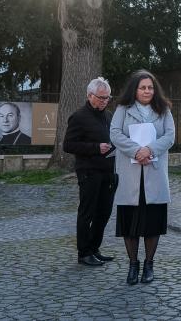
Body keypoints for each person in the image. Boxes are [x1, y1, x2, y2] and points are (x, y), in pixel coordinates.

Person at [110, 70, 175, 285]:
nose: (147, 91)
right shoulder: (123, 109)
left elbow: (170, 136)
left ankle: (149, 264)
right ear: (135, 90)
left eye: (150, 87)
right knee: (130, 224)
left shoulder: (163, 109)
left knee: (152, 223)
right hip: (130, 176)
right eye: (143, 87)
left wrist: (150, 150)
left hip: (154, 174)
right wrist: (136, 151)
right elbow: (115, 134)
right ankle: (132, 265)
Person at [63, 77, 117, 266]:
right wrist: (95, 148)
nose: (104, 101)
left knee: (104, 213)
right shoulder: (78, 116)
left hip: (109, 171)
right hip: (89, 172)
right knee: (88, 213)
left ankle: (95, 248)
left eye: (107, 98)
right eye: (101, 97)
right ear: (89, 95)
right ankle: (84, 252)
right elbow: (68, 145)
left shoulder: (110, 116)